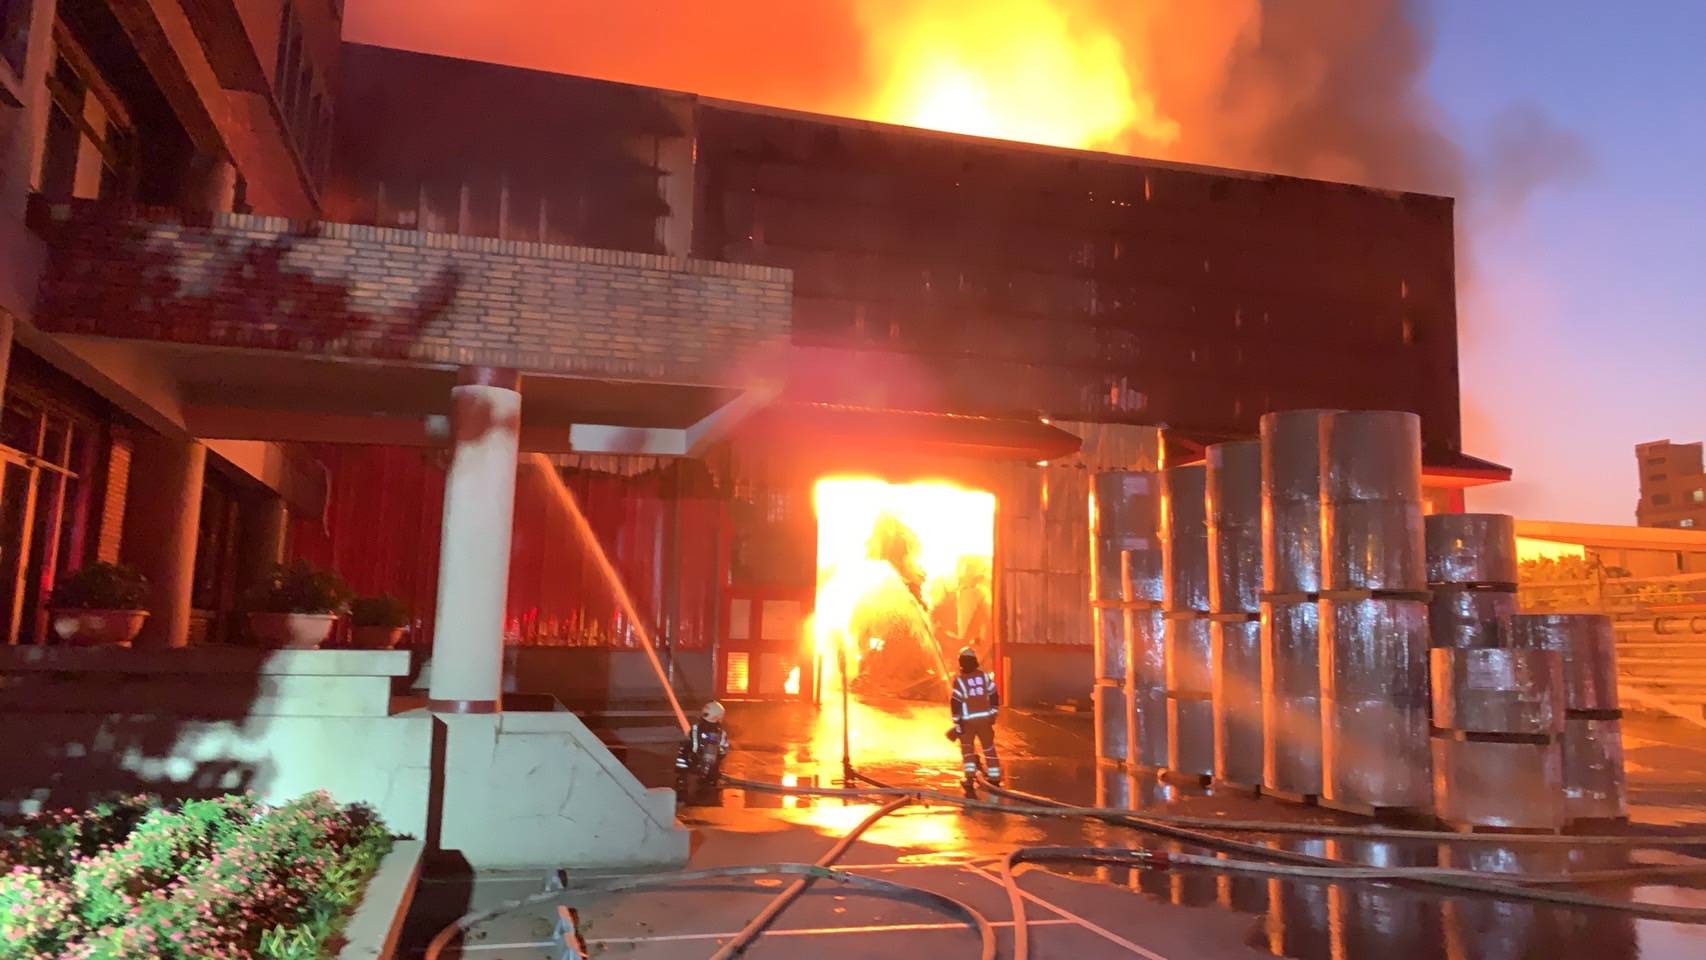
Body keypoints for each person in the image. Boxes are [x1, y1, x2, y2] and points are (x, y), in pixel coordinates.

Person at [949, 646, 1002, 798]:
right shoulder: (984, 677)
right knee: (989, 750)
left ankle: (969, 778)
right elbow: (994, 695)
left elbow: (955, 703)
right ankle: (995, 778)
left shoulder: (960, 681)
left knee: (967, 751)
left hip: (968, 722)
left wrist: (957, 722)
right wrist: (993, 713)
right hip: (985, 720)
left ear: (961, 662)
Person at [675, 701, 729, 804]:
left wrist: (682, 770)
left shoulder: (695, 728)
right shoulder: (721, 733)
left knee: (688, 789)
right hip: (710, 770)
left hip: (693, 765)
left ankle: (684, 794)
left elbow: (686, 747)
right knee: (710, 794)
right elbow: (723, 751)